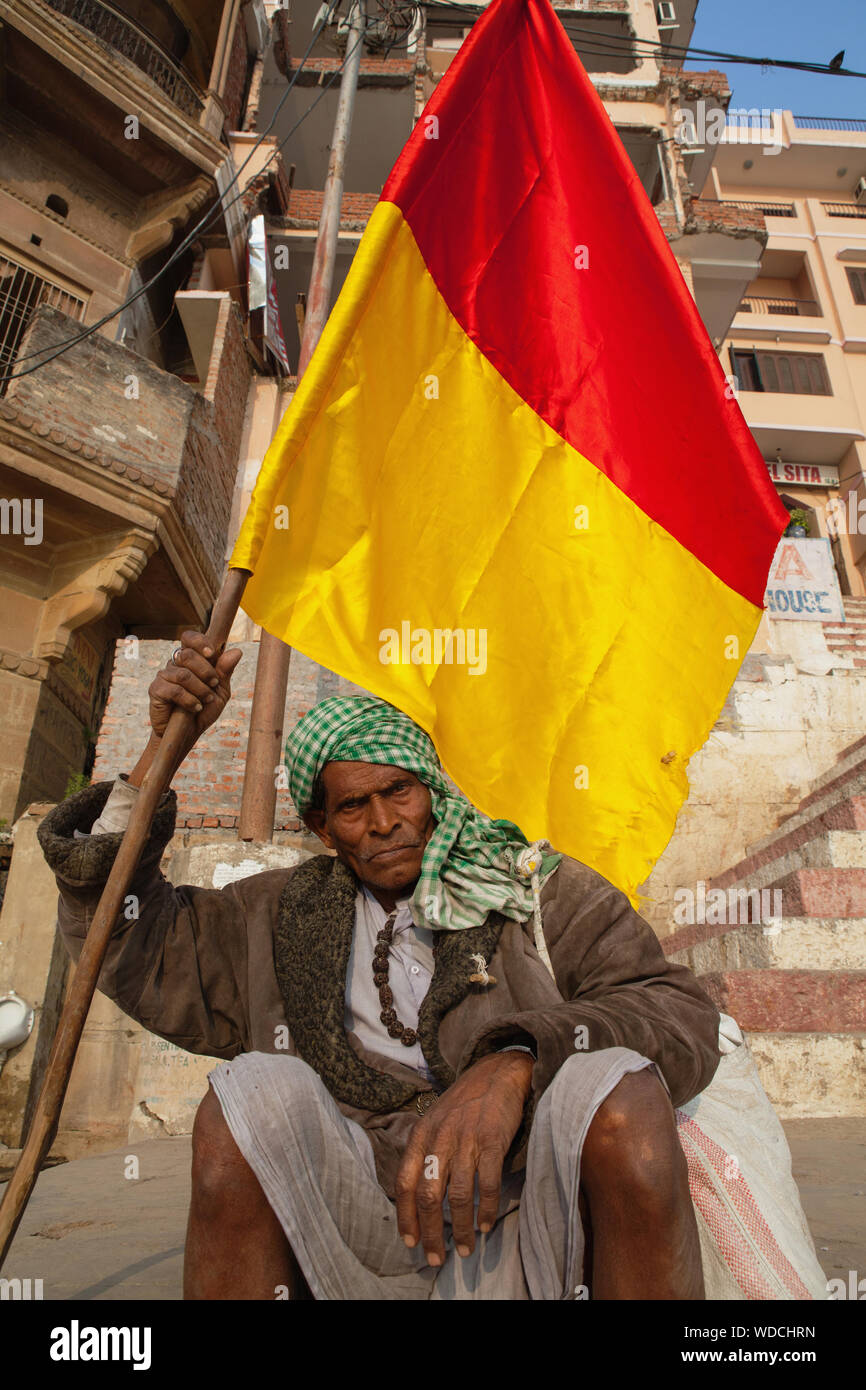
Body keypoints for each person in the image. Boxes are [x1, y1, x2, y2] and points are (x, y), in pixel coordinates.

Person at [38, 631, 722, 1300]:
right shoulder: (276, 916)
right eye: (353, 806)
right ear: (322, 827)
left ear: (432, 792)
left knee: (624, 1095)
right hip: (364, 1219)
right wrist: (165, 747)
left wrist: (516, 1061)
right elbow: (125, 934)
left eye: (399, 792)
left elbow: (675, 1012)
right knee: (244, 1096)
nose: (384, 821)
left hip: (527, 1202)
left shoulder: (531, 888)